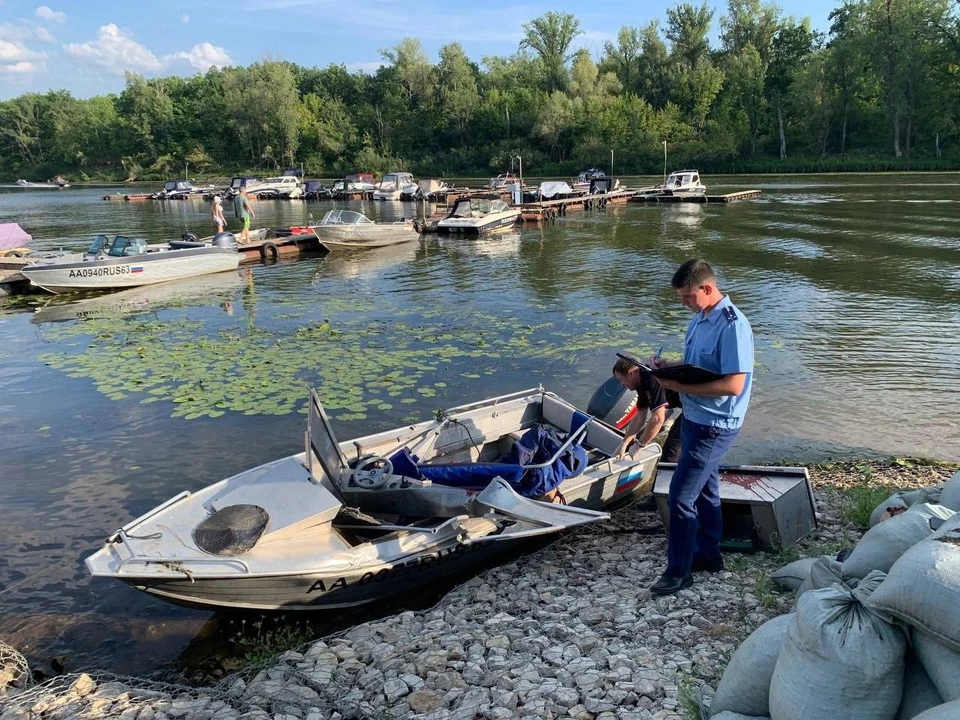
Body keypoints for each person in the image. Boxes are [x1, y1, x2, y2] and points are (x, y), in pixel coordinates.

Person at [645, 259, 754, 596]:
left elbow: (734, 385)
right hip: (694, 417)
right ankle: (709, 555)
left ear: (707, 288)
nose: (683, 303)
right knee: (706, 491)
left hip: (716, 424)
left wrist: (677, 387)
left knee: (680, 497)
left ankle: (679, 572)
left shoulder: (733, 326)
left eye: (688, 296)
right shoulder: (700, 318)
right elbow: (700, 366)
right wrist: (671, 367)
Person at [611, 354, 683, 462]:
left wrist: (640, 445)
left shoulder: (650, 379)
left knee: (672, 446)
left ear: (631, 374)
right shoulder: (641, 382)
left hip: (699, 404)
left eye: (622, 380)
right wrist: (624, 443)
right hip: (688, 404)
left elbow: (658, 419)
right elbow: (639, 417)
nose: (622, 384)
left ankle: (667, 473)